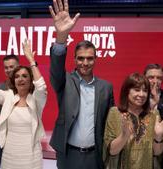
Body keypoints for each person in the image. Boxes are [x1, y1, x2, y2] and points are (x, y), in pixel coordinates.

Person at [48, 1, 115, 168]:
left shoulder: (106, 88)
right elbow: (56, 66)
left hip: (95, 155)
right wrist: (61, 37)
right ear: (75, 59)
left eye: (90, 58)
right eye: (80, 58)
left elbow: (110, 122)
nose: (85, 62)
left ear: (95, 59)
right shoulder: (64, 81)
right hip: (68, 154)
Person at [0, 38, 47, 169]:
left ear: (30, 79)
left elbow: (42, 87)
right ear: (13, 80)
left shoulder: (37, 99)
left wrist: (31, 60)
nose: (20, 79)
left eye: (25, 76)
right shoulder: (7, 96)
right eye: (17, 76)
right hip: (9, 155)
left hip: (32, 155)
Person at [103, 72, 163, 169]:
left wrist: (158, 136)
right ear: (127, 91)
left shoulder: (154, 114)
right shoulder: (115, 112)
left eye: (145, 91)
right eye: (137, 90)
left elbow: (157, 153)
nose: (142, 94)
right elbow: (112, 151)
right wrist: (124, 136)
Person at [0, 54, 19, 162]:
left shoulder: (28, 86)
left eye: (11, 67)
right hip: (3, 135)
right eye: (6, 67)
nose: (8, 70)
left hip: (21, 135)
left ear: (18, 66)